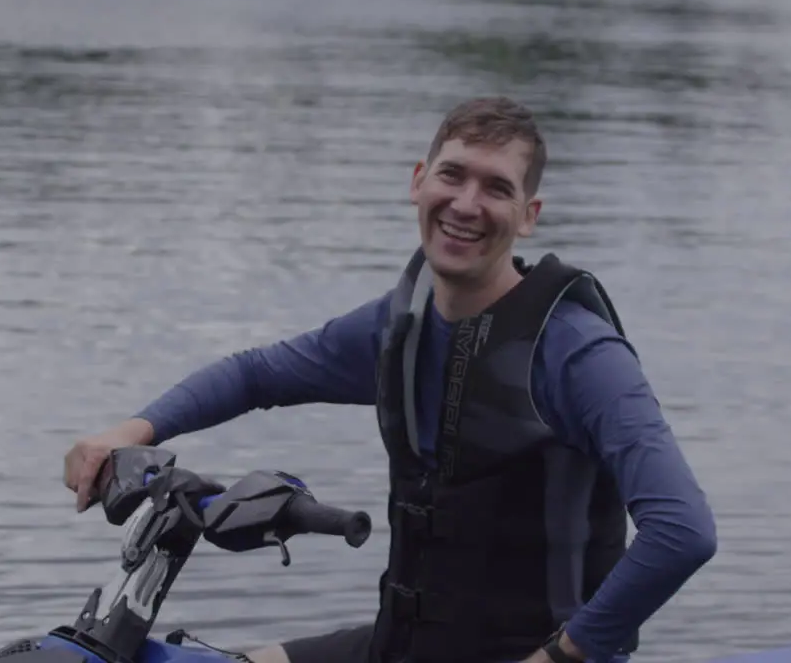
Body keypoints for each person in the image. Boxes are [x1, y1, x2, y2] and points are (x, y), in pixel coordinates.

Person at [63, 96, 718, 663]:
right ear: (417, 182)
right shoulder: (395, 330)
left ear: (529, 215)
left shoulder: (578, 354)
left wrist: (564, 653)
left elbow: (682, 530)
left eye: (496, 187)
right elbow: (256, 374)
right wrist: (129, 430)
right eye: (452, 175)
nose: (466, 203)